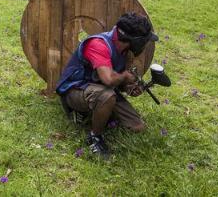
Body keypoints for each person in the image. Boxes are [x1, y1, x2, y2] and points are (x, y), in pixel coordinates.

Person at [55, 12, 159, 159]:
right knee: (106, 96)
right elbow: (109, 79)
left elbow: (114, 81)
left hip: (99, 89)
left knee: (137, 126)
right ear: (134, 40)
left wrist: (128, 88)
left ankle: (91, 113)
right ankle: (94, 137)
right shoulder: (98, 45)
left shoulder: (124, 50)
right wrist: (125, 77)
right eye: (144, 41)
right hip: (75, 90)